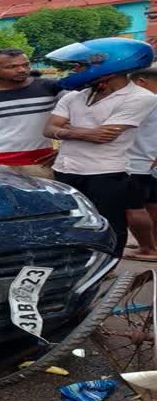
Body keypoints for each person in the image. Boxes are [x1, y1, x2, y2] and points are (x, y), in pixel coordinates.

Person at [43, 37, 157, 256]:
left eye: (81, 65)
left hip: (106, 171)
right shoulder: (75, 96)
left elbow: (104, 137)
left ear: (110, 65)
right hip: (66, 168)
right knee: (70, 221)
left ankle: (107, 265)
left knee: (110, 223)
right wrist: (83, 133)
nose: (75, 70)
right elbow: (48, 130)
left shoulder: (141, 97)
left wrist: (66, 131)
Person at [0, 48, 63, 178]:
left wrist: (64, 150)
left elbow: (79, 115)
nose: (22, 70)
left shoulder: (51, 87)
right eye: (11, 66)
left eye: (25, 65)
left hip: (40, 163)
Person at [124, 67, 157, 261]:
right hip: (148, 162)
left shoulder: (144, 102)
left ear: (141, 82)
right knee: (151, 205)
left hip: (134, 162)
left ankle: (148, 249)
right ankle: (151, 243)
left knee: (132, 208)